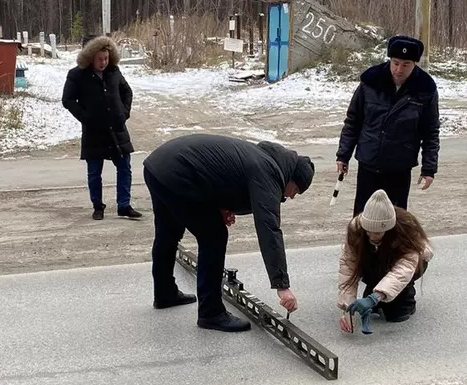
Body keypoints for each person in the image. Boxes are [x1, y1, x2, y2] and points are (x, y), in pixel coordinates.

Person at [143, 134, 315, 332]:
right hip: (178, 172)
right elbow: (269, 229)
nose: (292, 196)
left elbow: (218, 173)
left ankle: (165, 294)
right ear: (291, 178)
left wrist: (220, 207)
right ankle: (211, 313)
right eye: (296, 190)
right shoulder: (268, 172)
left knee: (168, 231)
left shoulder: (261, 158)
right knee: (214, 236)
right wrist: (282, 286)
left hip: (159, 166)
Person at [336, 34, 440, 215]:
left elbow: (431, 132)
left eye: (406, 64)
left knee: (395, 221)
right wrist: (343, 155)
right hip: (369, 162)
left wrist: (429, 168)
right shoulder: (371, 82)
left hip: (399, 167)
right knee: (363, 218)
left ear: (415, 64)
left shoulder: (425, 90)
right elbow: (353, 121)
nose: (399, 69)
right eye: (396, 62)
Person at [61, 35, 143, 221]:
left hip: (117, 129)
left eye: (106, 58)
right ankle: (98, 206)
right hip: (93, 131)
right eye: (100, 59)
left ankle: (124, 205)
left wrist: (124, 112)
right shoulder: (77, 75)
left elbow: (126, 91)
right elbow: (68, 100)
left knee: (125, 167)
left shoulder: (114, 71)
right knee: (94, 172)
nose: (103, 62)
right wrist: (85, 117)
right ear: (89, 57)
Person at [337, 189, 434, 332]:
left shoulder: (406, 228)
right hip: (378, 261)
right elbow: (348, 267)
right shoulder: (356, 228)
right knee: (366, 260)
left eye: (377, 233)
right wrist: (347, 309)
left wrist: (374, 298)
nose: (372, 236)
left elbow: (403, 270)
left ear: (388, 228)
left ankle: (404, 296)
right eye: (368, 231)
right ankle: (376, 287)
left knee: (396, 313)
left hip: (411, 265)